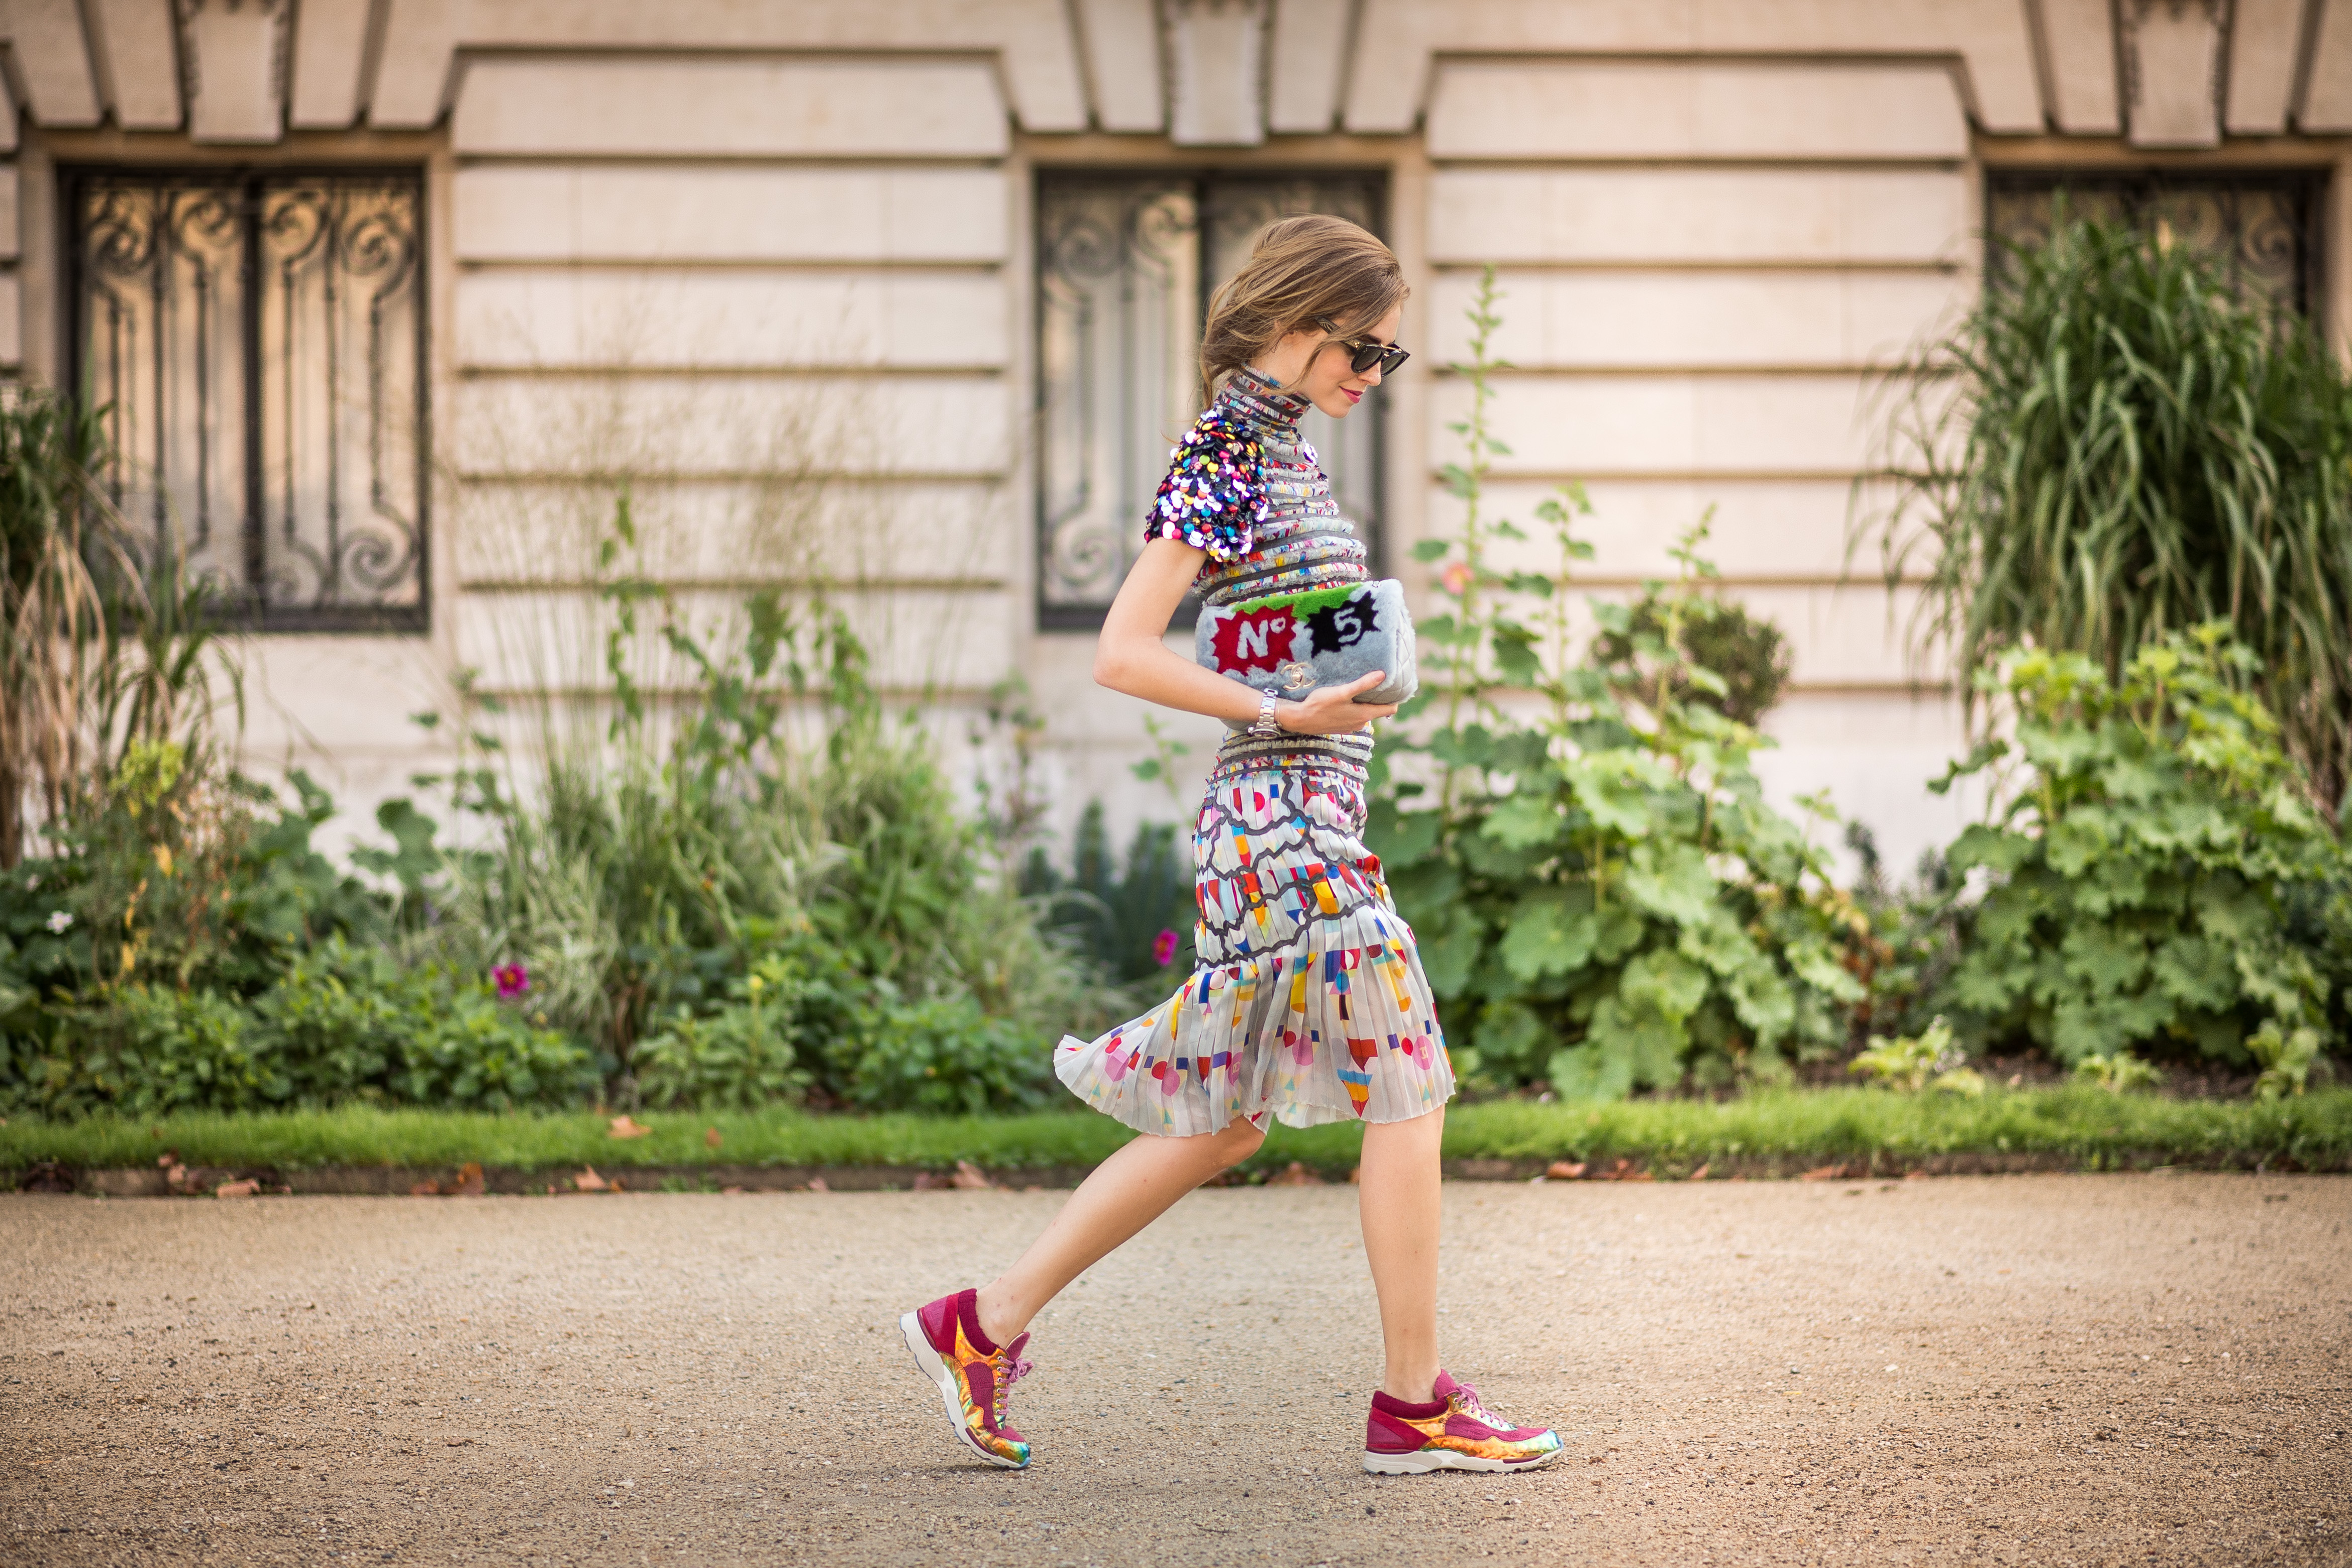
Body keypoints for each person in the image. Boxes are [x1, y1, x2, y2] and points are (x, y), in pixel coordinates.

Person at [899, 215, 1563, 1477]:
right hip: (1280, 820)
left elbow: (1246, 633)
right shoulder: (1223, 455)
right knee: (1408, 1076)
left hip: (1294, 810)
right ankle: (1413, 1408)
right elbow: (1124, 648)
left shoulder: (1281, 455)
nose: (1376, 373)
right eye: (1366, 349)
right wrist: (1282, 711)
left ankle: (977, 1327)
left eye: (1394, 357)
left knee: (1224, 1120)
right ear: (1300, 321)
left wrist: (1332, 674)